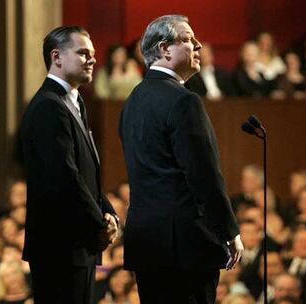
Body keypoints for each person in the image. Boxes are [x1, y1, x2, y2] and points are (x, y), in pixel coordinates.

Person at [119, 15, 243, 303]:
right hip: (185, 246)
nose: (198, 45)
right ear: (164, 49)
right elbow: (203, 175)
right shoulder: (184, 100)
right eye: (188, 39)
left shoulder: (133, 101)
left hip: (146, 242)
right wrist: (228, 230)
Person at [18, 26, 119, 304]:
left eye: (94, 54)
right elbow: (65, 178)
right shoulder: (48, 106)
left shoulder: (75, 102)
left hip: (78, 245)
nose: (93, 60)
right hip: (59, 248)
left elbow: (87, 176)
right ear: (57, 57)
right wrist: (99, 224)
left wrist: (110, 214)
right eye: (83, 53)